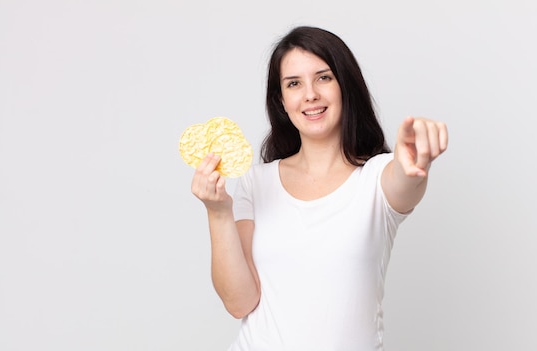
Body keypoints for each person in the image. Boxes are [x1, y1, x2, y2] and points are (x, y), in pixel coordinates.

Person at [191, 26, 448, 351]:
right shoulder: (256, 183)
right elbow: (240, 302)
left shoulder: (376, 177)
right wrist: (217, 213)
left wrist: (416, 161)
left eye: (324, 77)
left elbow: (405, 179)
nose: (310, 94)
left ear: (345, 87)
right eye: (294, 83)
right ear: (282, 101)